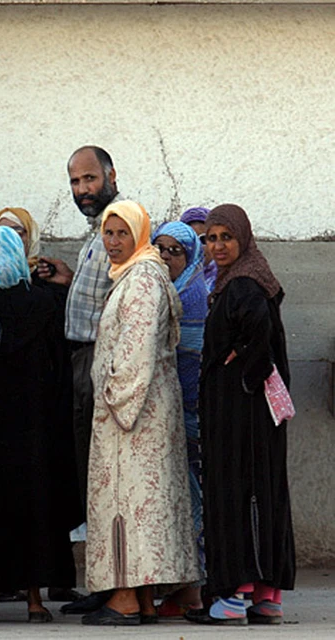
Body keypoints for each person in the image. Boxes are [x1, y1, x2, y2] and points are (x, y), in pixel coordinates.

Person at [82, 201, 200, 626]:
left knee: (129, 504)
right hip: (140, 411)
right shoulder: (136, 272)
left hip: (134, 415)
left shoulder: (144, 278)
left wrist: (116, 403)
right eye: (108, 234)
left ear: (139, 235)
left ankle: (127, 597)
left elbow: (137, 350)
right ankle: (145, 598)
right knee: (140, 506)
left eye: (122, 234)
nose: (113, 243)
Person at [187, 204, 296, 626]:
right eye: (211, 238)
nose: (217, 246)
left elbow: (259, 345)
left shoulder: (243, 286)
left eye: (225, 237)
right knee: (264, 493)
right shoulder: (250, 280)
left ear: (243, 239)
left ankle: (235, 597)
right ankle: (266, 597)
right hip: (254, 418)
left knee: (239, 492)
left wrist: (241, 375)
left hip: (241, 419)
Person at [0, 227, 81, 624]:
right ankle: (35, 600)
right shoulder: (43, 303)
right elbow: (59, 364)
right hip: (34, 425)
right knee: (34, 507)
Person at [40, 145, 121, 615]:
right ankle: (103, 582)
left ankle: (112, 585)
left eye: (89, 179)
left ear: (111, 175)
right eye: (75, 182)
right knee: (90, 475)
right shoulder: (97, 233)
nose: (82, 190)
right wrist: (70, 280)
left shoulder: (119, 227)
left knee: (103, 476)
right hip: (81, 361)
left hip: (100, 362)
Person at [150, 221, 209, 616]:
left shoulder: (193, 293)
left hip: (192, 414)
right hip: (172, 413)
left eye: (177, 251)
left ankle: (193, 589)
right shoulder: (165, 290)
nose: (168, 257)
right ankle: (185, 588)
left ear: (191, 257)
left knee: (194, 501)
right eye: (161, 248)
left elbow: (185, 353)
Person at [0, 207, 40, 273]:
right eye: (1, 234)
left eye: (17, 233)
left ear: (31, 237)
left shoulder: (46, 278)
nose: (8, 240)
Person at [180, 206, 217, 292]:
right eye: (192, 240)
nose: (198, 246)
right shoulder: (172, 276)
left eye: (203, 239)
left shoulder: (226, 281)